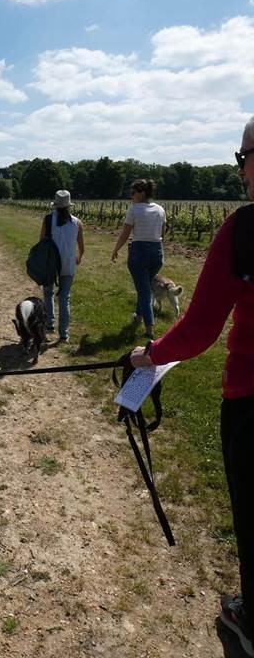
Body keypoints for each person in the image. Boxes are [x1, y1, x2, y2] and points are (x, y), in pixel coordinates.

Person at [130, 115, 254, 657]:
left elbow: (201, 328)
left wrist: (148, 355)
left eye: (241, 159)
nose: (240, 171)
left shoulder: (244, 230)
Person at [111, 178, 166, 339]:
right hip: (157, 253)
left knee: (144, 290)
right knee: (144, 285)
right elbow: (162, 234)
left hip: (139, 253)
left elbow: (125, 234)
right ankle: (138, 316)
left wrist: (116, 249)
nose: (131, 196)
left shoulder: (134, 210)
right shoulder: (160, 209)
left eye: (133, 192)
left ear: (142, 193)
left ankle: (149, 327)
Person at [40, 189, 84, 343]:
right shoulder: (77, 223)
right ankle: (64, 334)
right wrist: (78, 257)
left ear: (56, 205)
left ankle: (49, 324)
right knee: (65, 299)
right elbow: (81, 246)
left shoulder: (47, 220)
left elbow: (42, 242)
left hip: (51, 264)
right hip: (68, 264)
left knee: (48, 293)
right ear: (69, 206)